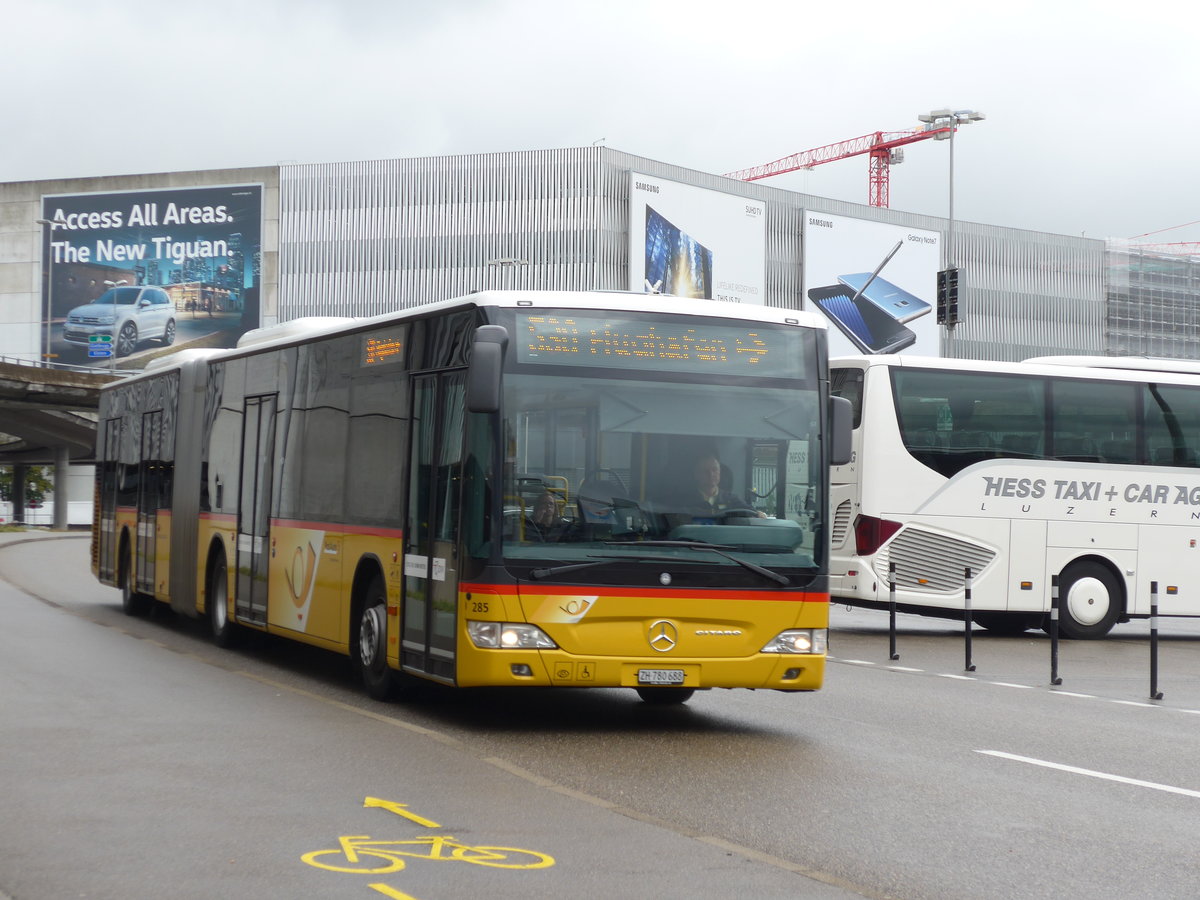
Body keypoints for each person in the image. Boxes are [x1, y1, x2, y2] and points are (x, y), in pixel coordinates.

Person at [681, 454, 763, 517]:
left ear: (720, 472)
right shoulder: (685, 500)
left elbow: (751, 512)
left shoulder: (731, 499)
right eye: (705, 471)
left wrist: (759, 514)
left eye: (714, 470)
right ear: (696, 475)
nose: (711, 474)